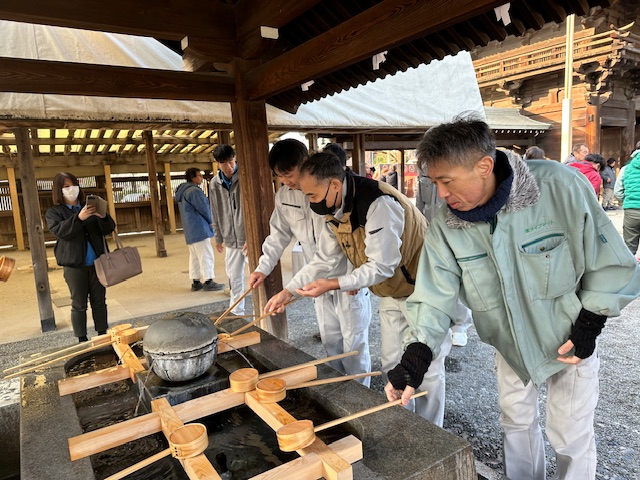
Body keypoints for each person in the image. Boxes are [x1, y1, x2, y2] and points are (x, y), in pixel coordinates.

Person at [384, 117, 640, 480]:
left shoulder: (559, 187)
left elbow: (608, 259)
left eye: (446, 181)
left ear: (484, 166)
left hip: (569, 335)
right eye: (434, 182)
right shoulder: (446, 225)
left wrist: (591, 322)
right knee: (515, 423)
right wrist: (417, 354)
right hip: (508, 342)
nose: (440, 194)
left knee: (570, 434)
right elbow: (433, 294)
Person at [265, 151, 453, 426]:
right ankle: (405, 426)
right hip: (391, 291)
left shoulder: (377, 203)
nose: (310, 203)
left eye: (312, 196)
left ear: (334, 185)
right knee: (391, 363)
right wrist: (289, 291)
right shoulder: (334, 208)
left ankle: (432, 432)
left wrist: (338, 283)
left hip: (423, 287)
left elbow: (383, 265)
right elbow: (325, 259)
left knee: (427, 367)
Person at [249, 139, 373, 385]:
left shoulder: (330, 193)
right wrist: (263, 267)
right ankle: (339, 392)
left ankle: (361, 396)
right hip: (315, 281)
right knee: (330, 340)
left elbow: (333, 253)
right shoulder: (284, 196)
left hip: (346, 278)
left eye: (289, 174)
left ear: (305, 163)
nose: (286, 181)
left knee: (354, 343)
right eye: (279, 176)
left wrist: (289, 291)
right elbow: (278, 234)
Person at [45, 172, 116, 342]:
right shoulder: (54, 212)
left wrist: (103, 216)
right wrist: (79, 218)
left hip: (98, 263)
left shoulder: (90, 206)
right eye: (66, 186)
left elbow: (109, 228)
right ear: (59, 190)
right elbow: (61, 231)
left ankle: (102, 334)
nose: (72, 189)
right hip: (74, 265)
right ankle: (82, 339)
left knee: (99, 301)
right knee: (79, 304)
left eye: (74, 185)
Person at [415, 167, 473, 347]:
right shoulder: (423, 173)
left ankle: (461, 326)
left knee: (462, 277)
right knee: (435, 277)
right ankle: (437, 322)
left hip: (457, 228)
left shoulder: (456, 168)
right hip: (431, 229)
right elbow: (420, 204)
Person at [210, 145, 247, 315]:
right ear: (217, 163)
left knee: (260, 274)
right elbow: (215, 210)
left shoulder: (245, 177)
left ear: (235, 157)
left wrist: (253, 235)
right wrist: (218, 237)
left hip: (248, 238)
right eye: (224, 163)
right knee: (234, 276)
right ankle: (237, 312)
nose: (229, 166)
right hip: (230, 238)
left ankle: (265, 310)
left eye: (231, 161)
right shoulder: (214, 183)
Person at [175, 167, 224, 292]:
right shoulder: (194, 191)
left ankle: (196, 281)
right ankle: (209, 281)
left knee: (195, 256)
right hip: (199, 227)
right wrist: (212, 221)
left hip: (190, 229)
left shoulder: (182, 191)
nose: (201, 178)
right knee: (206, 255)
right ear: (193, 178)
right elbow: (204, 208)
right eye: (199, 176)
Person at [614, 148, 640, 257]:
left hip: (631, 210)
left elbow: (617, 191)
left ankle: (630, 265)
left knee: (630, 244)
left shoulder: (625, 169)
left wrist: (627, 201)